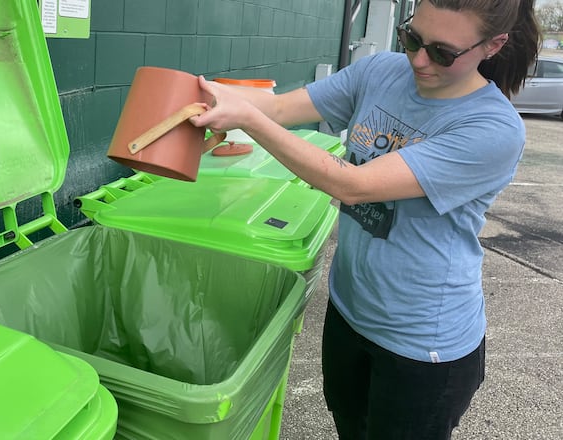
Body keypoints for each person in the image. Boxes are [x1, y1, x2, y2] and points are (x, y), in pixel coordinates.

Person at [189, 0, 541, 439]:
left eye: (442, 53)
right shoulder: (380, 72)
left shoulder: (492, 129)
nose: (418, 59)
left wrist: (247, 121)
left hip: (421, 344)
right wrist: (202, 92)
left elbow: (352, 185)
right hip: (350, 309)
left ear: (493, 45)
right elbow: (278, 108)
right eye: (412, 38)